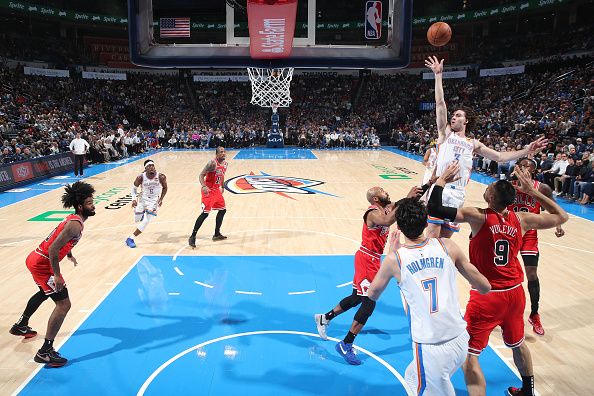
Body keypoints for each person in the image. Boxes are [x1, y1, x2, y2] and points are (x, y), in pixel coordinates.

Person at [427, 162, 568, 396]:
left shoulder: (477, 215)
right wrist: (532, 192)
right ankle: (528, 391)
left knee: (468, 355)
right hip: (514, 293)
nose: (487, 186)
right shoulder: (523, 219)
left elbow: (435, 209)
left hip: (487, 296)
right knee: (517, 343)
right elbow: (561, 216)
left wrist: (441, 180)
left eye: (490, 186)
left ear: (491, 198)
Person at [368, 198, 490, 396]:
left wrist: (392, 251)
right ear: (426, 223)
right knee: (412, 377)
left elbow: (372, 293)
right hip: (460, 339)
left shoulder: (396, 259)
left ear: (398, 226)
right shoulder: (448, 246)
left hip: (432, 346)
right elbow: (484, 286)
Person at [424, 56, 547, 239]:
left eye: (458, 115)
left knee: (445, 239)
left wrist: (527, 150)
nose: (454, 117)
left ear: (466, 121)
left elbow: (499, 157)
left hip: (457, 193)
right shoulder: (445, 134)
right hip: (440, 189)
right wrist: (438, 76)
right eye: (454, 115)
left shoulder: (473, 143)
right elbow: (440, 104)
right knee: (432, 236)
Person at [314, 186, 421, 365]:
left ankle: (325, 317)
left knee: (357, 297)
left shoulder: (385, 208)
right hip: (366, 259)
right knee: (369, 302)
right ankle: (346, 344)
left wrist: (427, 185)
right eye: (382, 191)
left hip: (371, 259)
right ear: (376, 199)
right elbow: (387, 221)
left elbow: (401, 204)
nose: (386, 191)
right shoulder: (373, 213)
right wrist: (407, 200)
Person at [9, 182, 96, 367]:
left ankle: (21, 325)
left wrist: (70, 253)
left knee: (44, 292)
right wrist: (56, 275)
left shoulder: (74, 219)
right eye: (89, 202)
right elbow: (54, 249)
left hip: (35, 258)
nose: (93, 205)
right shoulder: (75, 224)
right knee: (64, 304)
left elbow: (62, 242)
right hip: (43, 264)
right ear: (80, 206)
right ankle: (45, 351)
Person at [508, 158, 565, 336]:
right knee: (504, 272)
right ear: (517, 168)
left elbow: (553, 208)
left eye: (529, 166)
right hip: (510, 231)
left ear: (534, 170)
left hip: (530, 234)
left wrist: (558, 225)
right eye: (522, 165)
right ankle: (504, 311)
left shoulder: (542, 188)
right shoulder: (508, 186)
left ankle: (534, 313)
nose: (526, 168)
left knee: (531, 274)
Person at [188, 147, 228, 248]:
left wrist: (222, 186)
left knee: (223, 210)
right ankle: (192, 236)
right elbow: (201, 175)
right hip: (208, 190)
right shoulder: (212, 163)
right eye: (221, 152)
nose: (223, 153)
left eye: (224, 151)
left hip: (216, 190)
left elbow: (222, 175)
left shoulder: (226, 164)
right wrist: (204, 186)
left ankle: (216, 234)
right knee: (205, 214)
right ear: (217, 154)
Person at [126, 160, 168, 248]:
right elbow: (133, 189)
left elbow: (165, 188)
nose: (152, 167)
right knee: (136, 220)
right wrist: (133, 199)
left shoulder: (161, 176)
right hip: (142, 199)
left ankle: (130, 238)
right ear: (145, 169)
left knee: (146, 221)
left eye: (153, 165)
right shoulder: (140, 177)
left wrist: (161, 199)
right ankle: (140, 214)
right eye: (149, 166)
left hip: (153, 202)